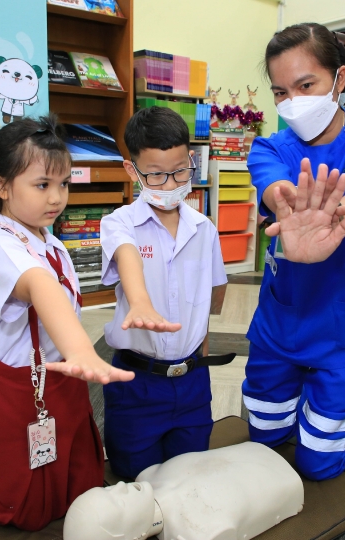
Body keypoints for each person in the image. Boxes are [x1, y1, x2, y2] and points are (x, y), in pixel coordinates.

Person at [0, 114, 133, 531]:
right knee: (22, 509)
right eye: (42, 185)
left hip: (62, 377)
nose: (57, 198)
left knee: (80, 488)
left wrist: (75, 356)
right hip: (21, 386)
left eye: (64, 184)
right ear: (1, 186)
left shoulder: (48, 238)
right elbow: (41, 286)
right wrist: (82, 350)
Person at [242, 23, 345, 481]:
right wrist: (287, 205)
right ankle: (306, 401)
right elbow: (275, 189)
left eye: (305, 85)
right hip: (283, 320)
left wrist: (335, 215)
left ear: (339, 78)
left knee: (318, 463)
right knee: (265, 439)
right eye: (280, 92)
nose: (292, 101)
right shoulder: (268, 147)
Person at [100, 107, 232, 479]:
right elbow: (127, 256)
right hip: (136, 382)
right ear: (132, 171)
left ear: (191, 160)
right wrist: (140, 301)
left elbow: (208, 300)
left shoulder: (203, 228)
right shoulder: (119, 223)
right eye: (156, 175)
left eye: (180, 171)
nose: (171, 184)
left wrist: (200, 358)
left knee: (188, 476)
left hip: (192, 381)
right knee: (137, 479)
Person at [63, 441, 304, 540]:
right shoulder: (197, 532)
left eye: (106, 491)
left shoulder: (149, 476)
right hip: (281, 481)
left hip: (254, 453)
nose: (118, 487)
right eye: (117, 503)